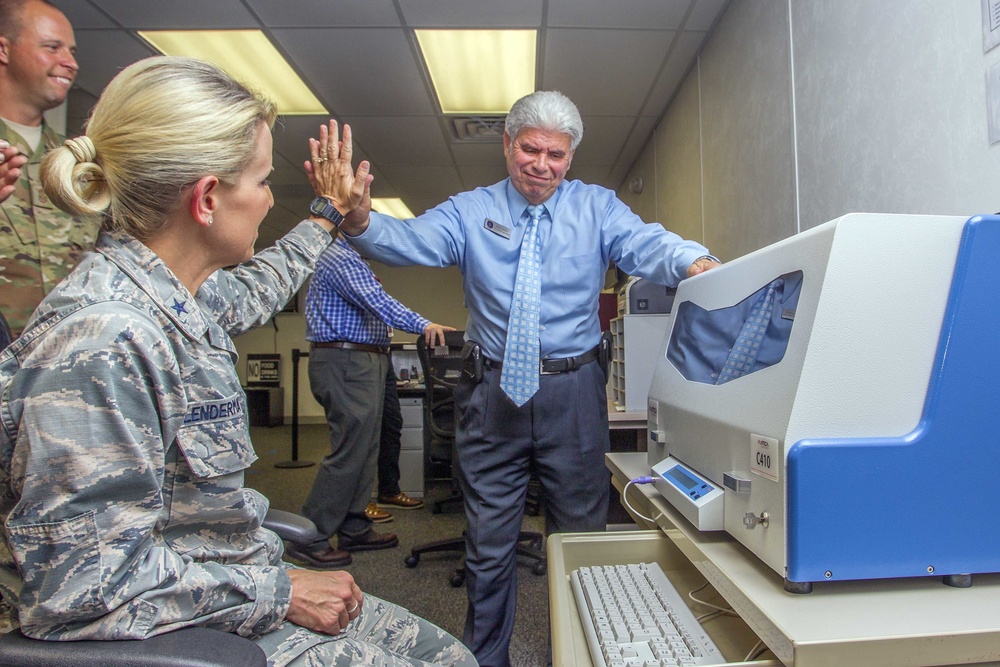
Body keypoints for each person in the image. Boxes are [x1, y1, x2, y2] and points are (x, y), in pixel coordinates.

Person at [0, 55, 476, 667]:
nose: (269, 197)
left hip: (226, 576)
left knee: (452, 659)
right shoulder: (105, 341)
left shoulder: (178, 295)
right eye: (261, 181)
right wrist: (280, 591)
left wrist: (327, 216)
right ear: (206, 199)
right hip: (180, 626)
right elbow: (84, 588)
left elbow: (261, 286)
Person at [326, 90, 721, 667]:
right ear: (508, 145)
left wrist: (695, 262)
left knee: (580, 543)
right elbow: (412, 240)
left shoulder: (597, 208)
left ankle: (580, 655)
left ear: (571, 156)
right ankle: (486, 661)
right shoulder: (470, 209)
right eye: (530, 149)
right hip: (491, 394)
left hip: (574, 393)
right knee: (487, 549)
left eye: (556, 155)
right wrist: (360, 218)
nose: (542, 165)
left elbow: (647, 243)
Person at [293, 234, 453, 567]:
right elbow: (378, 302)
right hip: (347, 361)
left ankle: (354, 527)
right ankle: (310, 537)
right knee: (349, 451)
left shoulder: (355, 260)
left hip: (366, 359)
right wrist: (424, 325)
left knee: (367, 448)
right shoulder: (339, 257)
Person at [0, 0, 100, 337]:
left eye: (71, 51)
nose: (70, 63)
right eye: (52, 47)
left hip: (62, 373)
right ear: (3, 49)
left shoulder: (79, 167)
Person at [375, 353, 426, 517]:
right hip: (357, 354)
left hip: (381, 355)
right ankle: (356, 506)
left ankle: (389, 491)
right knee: (361, 434)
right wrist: (424, 326)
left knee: (391, 424)